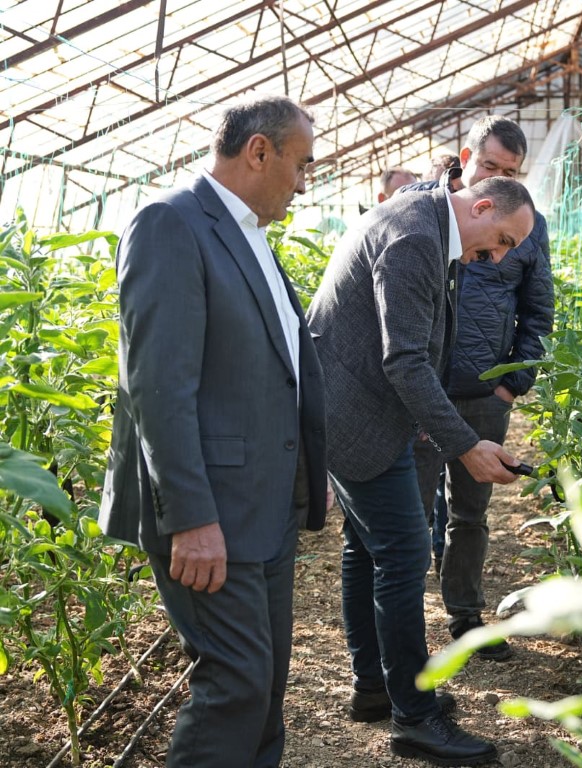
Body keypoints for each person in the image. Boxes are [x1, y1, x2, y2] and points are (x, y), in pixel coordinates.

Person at [98, 96, 328, 767]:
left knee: (266, 684)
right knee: (237, 684)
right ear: (259, 151)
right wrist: (190, 518)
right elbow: (159, 388)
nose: (304, 180)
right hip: (212, 512)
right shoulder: (171, 225)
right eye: (301, 163)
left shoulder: (248, 233)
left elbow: (275, 372)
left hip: (266, 504)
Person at [307, 175, 536, 766]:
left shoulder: (424, 221)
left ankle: (376, 688)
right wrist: (467, 445)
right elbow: (405, 359)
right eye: (504, 238)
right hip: (357, 415)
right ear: (481, 206)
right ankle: (414, 715)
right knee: (406, 554)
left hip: (349, 407)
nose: (502, 255)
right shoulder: (414, 238)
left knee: (368, 547)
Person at [400, 116, 553, 662]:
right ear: (467, 158)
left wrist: (511, 386)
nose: (501, 177)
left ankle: (464, 616)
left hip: (484, 396)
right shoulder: (433, 215)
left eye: (512, 171)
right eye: (491, 166)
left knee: (469, 513)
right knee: (413, 513)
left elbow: (539, 312)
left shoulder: (530, 228)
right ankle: (405, 624)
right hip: (425, 391)